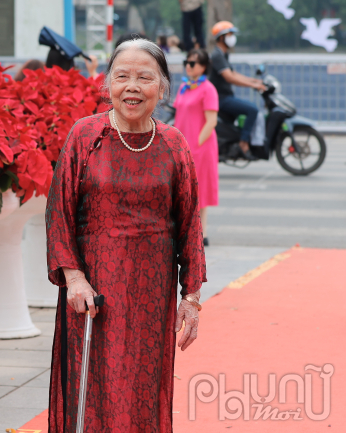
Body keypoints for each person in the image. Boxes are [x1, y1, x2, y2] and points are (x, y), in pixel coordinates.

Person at [46, 37, 206, 432]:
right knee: (94, 382)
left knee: (143, 385)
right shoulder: (86, 135)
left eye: (144, 78)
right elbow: (59, 212)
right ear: (108, 84)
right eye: (122, 76)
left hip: (153, 290)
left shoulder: (173, 143)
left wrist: (192, 298)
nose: (131, 87)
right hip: (94, 287)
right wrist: (74, 277)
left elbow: (189, 222)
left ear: (162, 88)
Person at [174, 49, 219, 247]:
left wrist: (196, 145)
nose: (188, 66)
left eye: (192, 63)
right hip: (183, 145)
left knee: (199, 189)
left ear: (203, 67)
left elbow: (211, 122)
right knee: (183, 189)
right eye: (187, 62)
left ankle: (202, 232)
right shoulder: (184, 86)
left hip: (200, 146)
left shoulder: (208, 89)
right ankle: (190, 230)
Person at [208, 21, 267, 160]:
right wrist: (253, 86)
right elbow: (229, 77)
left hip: (225, 97)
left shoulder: (223, 54)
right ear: (221, 37)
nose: (232, 37)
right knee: (252, 109)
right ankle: (244, 142)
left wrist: (255, 81)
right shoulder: (217, 55)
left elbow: (234, 74)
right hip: (221, 98)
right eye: (230, 34)